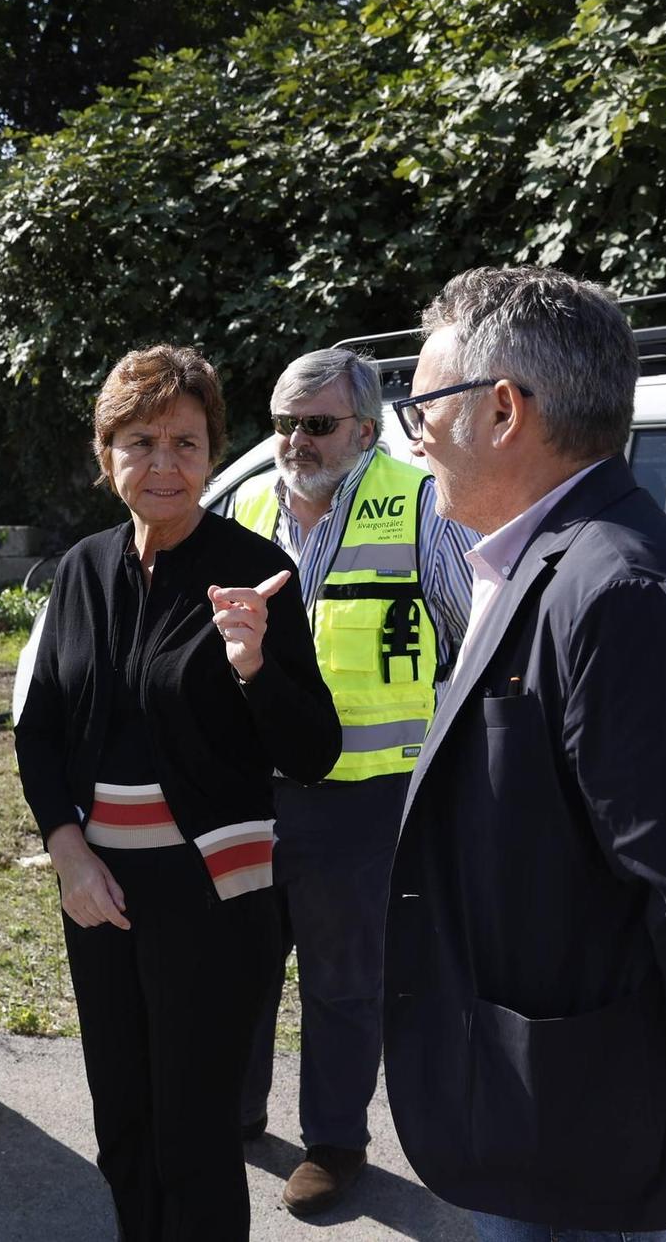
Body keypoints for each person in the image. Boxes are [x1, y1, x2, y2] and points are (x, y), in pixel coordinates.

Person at [382, 267, 666, 1240]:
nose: (412, 439)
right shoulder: (544, 556)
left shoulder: (610, 589)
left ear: (500, 411)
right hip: (530, 1097)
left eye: (421, 406)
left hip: (574, 1129)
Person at [15, 345, 341, 1242]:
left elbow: (313, 751)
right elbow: (39, 728)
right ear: (106, 450)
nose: (164, 463)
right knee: (121, 1118)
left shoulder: (254, 568)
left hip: (211, 896)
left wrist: (255, 666)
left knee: (194, 1133)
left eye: (187, 443)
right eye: (141, 440)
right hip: (100, 893)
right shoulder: (81, 569)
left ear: (211, 453)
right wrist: (65, 847)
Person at [224, 347, 473, 1215]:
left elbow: (473, 643)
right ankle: (238, 1112)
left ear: (367, 431)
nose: (297, 439)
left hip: (367, 798)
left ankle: (334, 1142)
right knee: (246, 964)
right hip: (257, 791)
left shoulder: (419, 507)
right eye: (285, 422)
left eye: (318, 424)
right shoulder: (248, 505)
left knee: (342, 980)